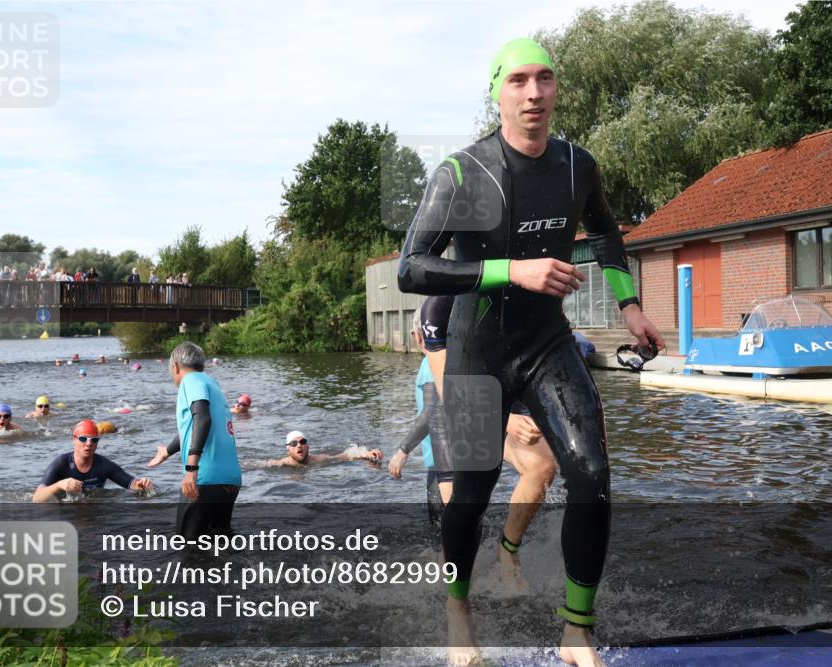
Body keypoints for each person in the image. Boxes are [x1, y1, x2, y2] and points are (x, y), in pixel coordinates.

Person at [397, 38, 665, 666]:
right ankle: (458, 609)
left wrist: (629, 305)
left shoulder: (578, 167)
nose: (534, 93)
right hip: (474, 349)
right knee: (472, 488)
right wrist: (507, 271)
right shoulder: (462, 173)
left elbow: (603, 231)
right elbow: (412, 268)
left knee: (592, 476)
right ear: (497, 92)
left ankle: (576, 632)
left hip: (545, 343)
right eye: (518, 80)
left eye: (544, 79)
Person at [388, 297, 556, 592]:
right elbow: (437, 414)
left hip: (460, 451)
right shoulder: (443, 364)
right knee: (455, 547)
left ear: (417, 337)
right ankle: (459, 592)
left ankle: (476, 579)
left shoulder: (445, 364)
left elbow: (442, 411)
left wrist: (402, 451)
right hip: (451, 458)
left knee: (454, 545)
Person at [146, 342, 241, 539]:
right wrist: (167, 451)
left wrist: (191, 469)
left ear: (176, 367)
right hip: (230, 479)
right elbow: (194, 426)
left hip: (205, 478)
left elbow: (202, 418)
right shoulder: (211, 383)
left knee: (189, 548)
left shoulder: (189, 382)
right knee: (221, 545)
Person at [32, 420, 153, 502]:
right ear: (73, 440)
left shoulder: (104, 465)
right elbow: (36, 499)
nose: (88, 444)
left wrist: (142, 485)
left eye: (94, 440)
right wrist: (60, 485)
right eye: (83, 439)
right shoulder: (61, 464)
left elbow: (132, 483)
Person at [262, 431, 382, 467]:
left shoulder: (318, 459)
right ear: (288, 449)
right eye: (294, 443)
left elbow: (345, 455)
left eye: (303, 442)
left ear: (307, 446)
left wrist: (366, 454)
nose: (299, 445)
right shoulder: (280, 464)